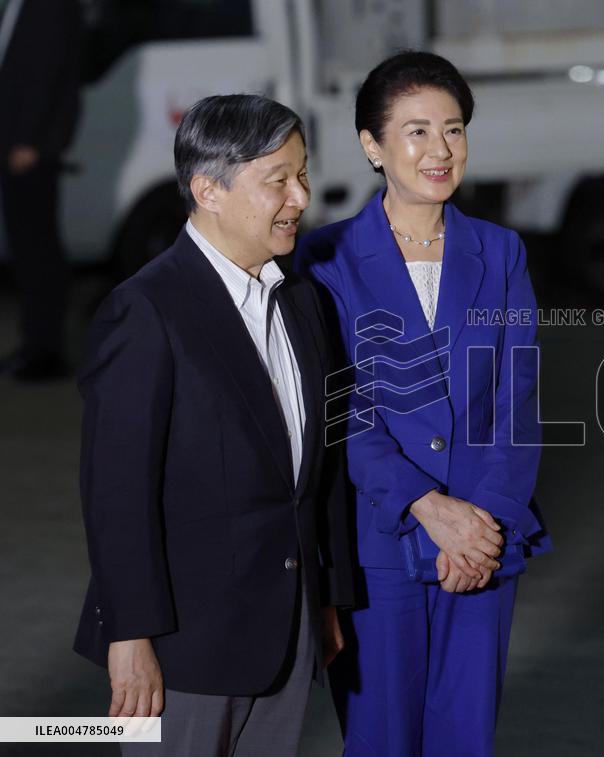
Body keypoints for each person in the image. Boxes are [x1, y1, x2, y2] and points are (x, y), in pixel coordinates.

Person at [73, 94, 354, 757]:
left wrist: (328, 596)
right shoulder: (145, 311)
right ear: (210, 190)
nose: (300, 196)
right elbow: (117, 493)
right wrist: (130, 637)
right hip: (181, 650)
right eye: (277, 179)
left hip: (287, 634)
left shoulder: (302, 301)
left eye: (303, 173)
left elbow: (322, 465)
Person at [297, 50, 550, 757]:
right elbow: (340, 407)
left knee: (465, 739)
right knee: (381, 740)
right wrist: (427, 507)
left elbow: (517, 402)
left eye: (454, 129)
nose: (440, 150)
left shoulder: (501, 253)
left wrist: (484, 524)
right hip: (379, 542)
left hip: (484, 543)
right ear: (371, 145)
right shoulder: (326, 257)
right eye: (416, 131)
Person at [0, 0, 82, 380]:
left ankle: (45, 351)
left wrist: (29, 142)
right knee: (26, 246)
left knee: (38, 249)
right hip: (16, 144)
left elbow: (46, 76)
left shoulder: (48, 6)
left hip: (29, 149)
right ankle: (34, 345)